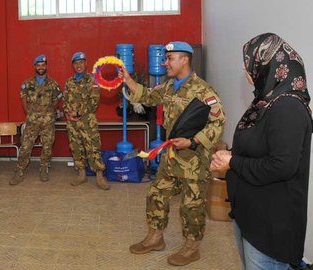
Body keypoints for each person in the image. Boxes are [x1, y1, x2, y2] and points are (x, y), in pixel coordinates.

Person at [211, 33, 311, 269]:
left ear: (269, 67)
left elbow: (281, 166)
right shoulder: (265, 103)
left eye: (250, 66)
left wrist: (232, 162)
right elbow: (256, 146)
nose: (247, 74)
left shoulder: (288, 107)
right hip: (252, 217)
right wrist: (228, 157)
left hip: (271, 228)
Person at [120, 41, 226, 266]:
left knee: (191, 205)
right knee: (156, 193)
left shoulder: (203, 91)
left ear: (184, 60)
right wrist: (128, 80)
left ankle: (191, 248)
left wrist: (193, 141)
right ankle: (155, 238)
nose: (164, 62)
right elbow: (147, 96)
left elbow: (218, 122)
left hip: (194, 160)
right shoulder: (168, 87)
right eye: (166, 58)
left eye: (169, 58)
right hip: (171, 157)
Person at [10, 54, 61, 185]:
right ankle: (20, 171)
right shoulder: (27, 84)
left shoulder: (53, 84)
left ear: (46, 66)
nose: (41, 67)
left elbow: (57, 101)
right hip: (32, 121)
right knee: (25, 146)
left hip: (47, 122)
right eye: (38, 65)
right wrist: (30, 113)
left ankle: (44, 169)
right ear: (35, 67)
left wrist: (48, 112)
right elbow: (23, 100)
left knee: (47, 147)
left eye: (43, 65)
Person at [64, 52, 109, 190]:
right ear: (73, 65)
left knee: (93, 148)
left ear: (86, 63)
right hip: (72, 122)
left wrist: (78, 112)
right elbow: (65, 101)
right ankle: (81, 175)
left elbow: (94, 102)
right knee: (76, 148)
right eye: (76, 63)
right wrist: (68, 114)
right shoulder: (69, 82)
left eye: (81, 62)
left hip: (87, 121)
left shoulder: (93, 80)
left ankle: (100, 177)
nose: (79, 65)